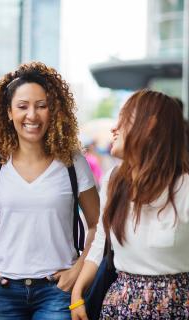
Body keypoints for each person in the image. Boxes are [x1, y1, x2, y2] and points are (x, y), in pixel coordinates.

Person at [0, 62, 100, 320]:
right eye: (22, 106)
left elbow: (97, 225)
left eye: (41, 106)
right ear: (9, 113)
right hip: (2, 289)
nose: (32, 115)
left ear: (53, 111)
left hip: (56, 290)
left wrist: (78, 269)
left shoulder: (73, 162)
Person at [71, 89, 189, 319]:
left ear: (150, 126)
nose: (114, 128)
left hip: (176, 306)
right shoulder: (114, 180)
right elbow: (100, 244)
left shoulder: (184, 187)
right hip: (121, 305)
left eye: (124, 120)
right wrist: (77, 295)